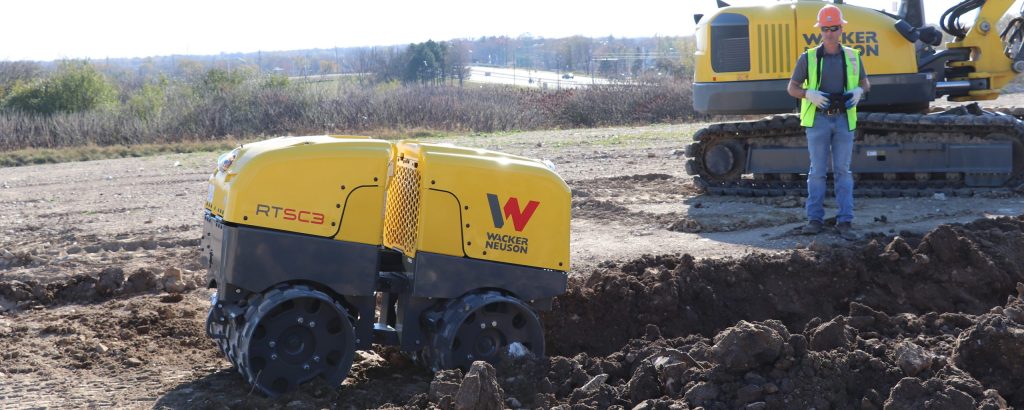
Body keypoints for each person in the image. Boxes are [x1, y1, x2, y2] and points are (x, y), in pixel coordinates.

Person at [787, 4, 870, 240]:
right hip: (818, 120)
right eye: (825, 28)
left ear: (841, 28)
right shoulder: (809, 57)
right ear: (820, 30)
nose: (830, 32)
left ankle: (845, 221)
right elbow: (791, 88)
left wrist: (858, 91)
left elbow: (866, 83)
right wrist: (808, 94)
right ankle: (815, 219)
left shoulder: (853, 57)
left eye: (834, 28)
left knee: (843, 171)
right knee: (818, 172)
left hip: (844, 120)